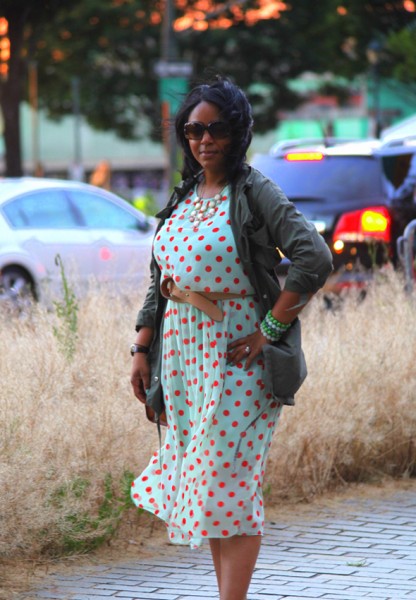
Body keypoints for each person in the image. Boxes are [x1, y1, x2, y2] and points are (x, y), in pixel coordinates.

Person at [130, 76, 333, 600]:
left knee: (231, 482)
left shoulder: (253, 190)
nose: (204, 140)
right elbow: (162, 280)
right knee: (209, 485)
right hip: (181, 357)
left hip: (236, 356)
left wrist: (270, 329)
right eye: (194, 130)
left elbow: (315, 257)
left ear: (238, 131)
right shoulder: (185, 193)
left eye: (216, 129)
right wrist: (141, 347)